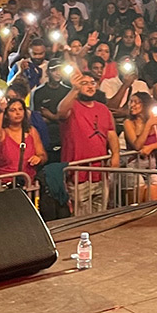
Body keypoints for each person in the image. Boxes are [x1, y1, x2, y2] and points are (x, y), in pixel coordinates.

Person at [56, 71, 119, 214]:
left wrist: (115, 154)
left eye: (92, 83)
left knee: (100, 215)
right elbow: (60, 112)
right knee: (80, 218)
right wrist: (75, 89)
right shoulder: (72, 106)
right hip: (78, 174)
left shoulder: (103, 109)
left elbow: (111, 133)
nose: (90, 86)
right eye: (84, 83)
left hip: (100, 172)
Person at [119, 92, 157, 201]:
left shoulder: (155, 119)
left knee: (154, 201)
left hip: (150, 166)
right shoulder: (128, 123)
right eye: (131, 102)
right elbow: (137, 145)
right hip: (133, 167)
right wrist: (148, 125)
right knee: (137, 205)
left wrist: (151, 147)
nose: (132, 105)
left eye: (136, 102)